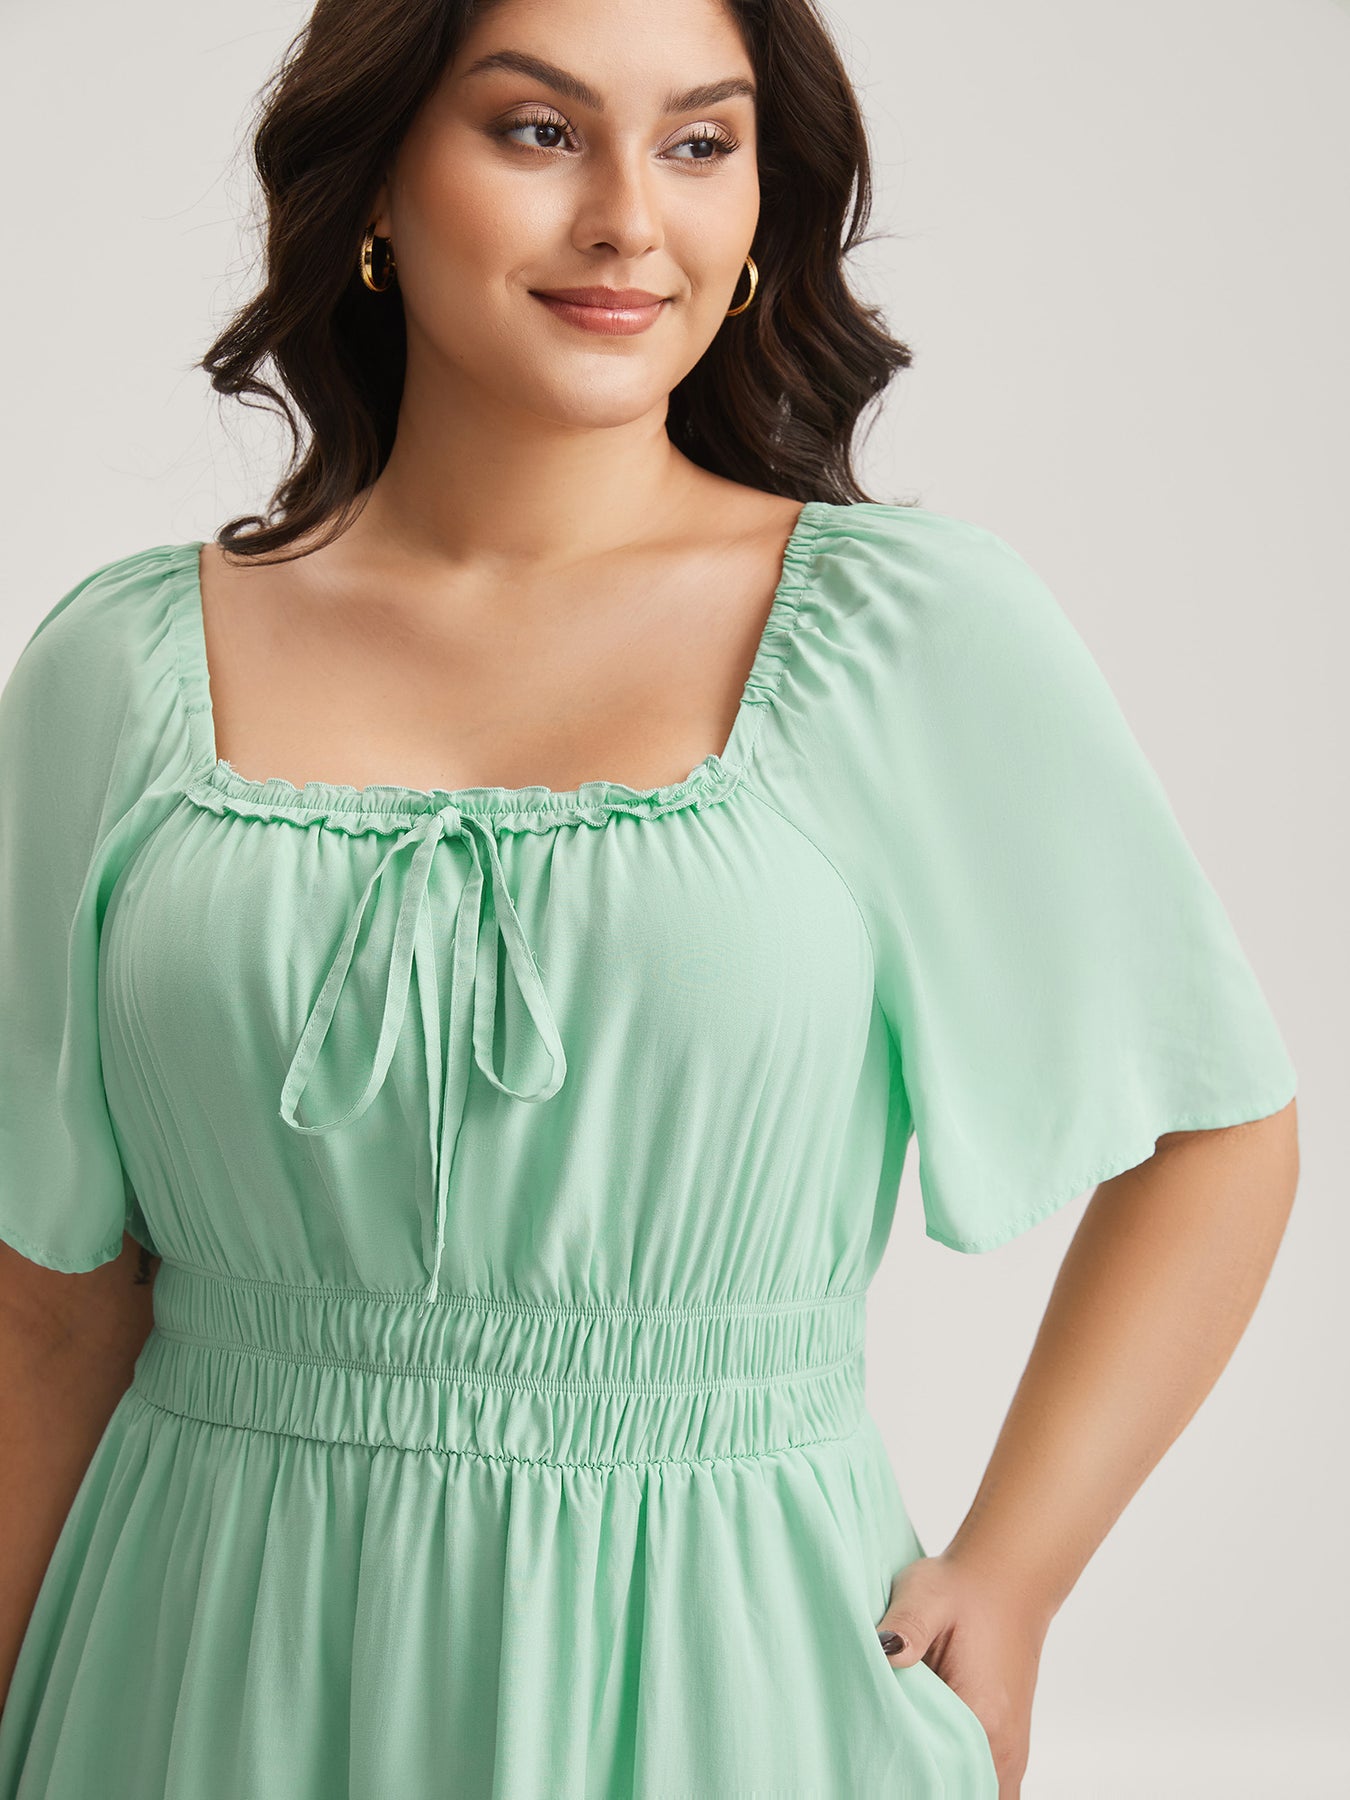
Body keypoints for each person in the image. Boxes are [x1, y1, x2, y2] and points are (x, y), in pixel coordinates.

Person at [0, 0, 1299, 1794]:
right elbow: (50, 1305)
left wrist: (1015, 1575)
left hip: (724, 1662)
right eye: (538, 132)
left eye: (698, 143)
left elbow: (1215, 1127)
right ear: (374, 182)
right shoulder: (121, 668)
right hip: (202, 1656)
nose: (628, 217)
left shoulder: (898, 637)